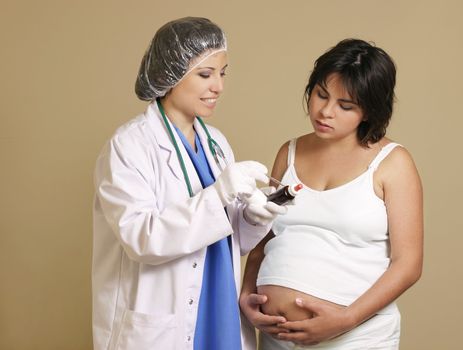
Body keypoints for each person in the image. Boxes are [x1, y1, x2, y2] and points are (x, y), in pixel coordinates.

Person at [92, 17, 286, 350]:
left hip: (218, 310)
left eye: (222, 73)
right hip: (161, 324)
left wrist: (254, 217)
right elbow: (142, 239)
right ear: (171, 74)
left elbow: (226, 242)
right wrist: (220, 193)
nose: (218, 87)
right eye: (205, 74)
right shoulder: (130, 146)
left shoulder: (216, 143)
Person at [240, 38, 423, 349]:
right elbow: (263, 237)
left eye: (345, 106)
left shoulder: (393, 163)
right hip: (277, 336)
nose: (325, 111)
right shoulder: (290, 152)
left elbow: (409, 264)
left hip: (356, 337)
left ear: (369, 111)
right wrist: (246, 295)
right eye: (320, 95)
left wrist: (346, 319)